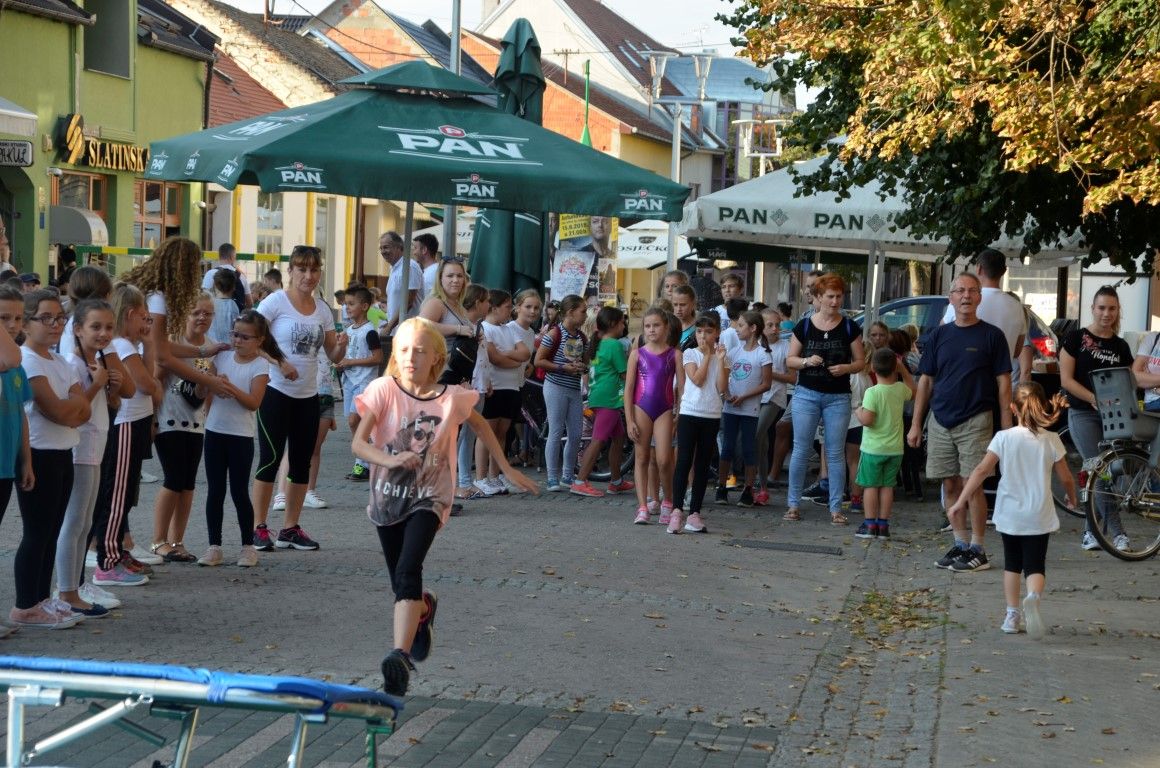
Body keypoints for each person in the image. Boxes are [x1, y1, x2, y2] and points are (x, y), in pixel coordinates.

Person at [352, 317, 538, 696]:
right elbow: (358, 443)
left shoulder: (451, 397)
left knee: (409, 570)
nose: (411, 357)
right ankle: (423, 609)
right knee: (401, 584)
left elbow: (482, 426)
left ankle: (399, 658)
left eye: (420, 351)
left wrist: (506, 469)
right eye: (404, 349)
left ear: (437, 357)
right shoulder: (383, 389)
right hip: (387, 499)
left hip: (430, 498)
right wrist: (388, 459)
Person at [949, 382, 1074, 639]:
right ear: (1043, 406)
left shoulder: (1003, 438)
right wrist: (1072, 498)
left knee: (1012, 564)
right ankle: (1033, 597)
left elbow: (981, 471)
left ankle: (1012, 615)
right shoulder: (1051, 439)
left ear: (1012, 408)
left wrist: (960, 501)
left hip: (1010, 513)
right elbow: (1066, 477)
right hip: (1039, 513)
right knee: (1035, 565)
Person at [908, 273, 1012, 572]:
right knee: (949, 483)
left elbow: (1004, 384)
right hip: (940, 420)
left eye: (972, 291)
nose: (966, 296)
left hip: (976, 419)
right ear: (950, 297)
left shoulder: (992, 336)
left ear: (979, 297)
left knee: (973, 484)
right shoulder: (938, 335)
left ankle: (978, 549)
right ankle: (960, 543)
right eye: (960, 291)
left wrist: (1007, 430)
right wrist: (916, 424)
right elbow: (925, 382)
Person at [250, 245, 344, 552]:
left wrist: (342, 346)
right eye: (302, 269)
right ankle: (258, 527)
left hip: (308, 395)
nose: (308, 276)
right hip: (275, 392)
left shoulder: (322, 309)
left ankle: (290, 528)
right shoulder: (275, 302)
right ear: (290, 271)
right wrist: (279, 362)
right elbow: (250, 340)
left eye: (314, 270)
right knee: (270, 459)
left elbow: (332, 354)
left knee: (301, 463)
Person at [12, 289, 90, 627]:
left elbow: (83, 409)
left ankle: (42, 598)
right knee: (37, 532)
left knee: (52, 529)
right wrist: (71, 408)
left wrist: (72, 409)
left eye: (60, 318)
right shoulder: (25, 359)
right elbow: (57, 410)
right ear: (26, 324)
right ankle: (25, 604)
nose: (55, 324)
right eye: (46, 318)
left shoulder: (61, 362)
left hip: (63, 452)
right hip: (40, 453)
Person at [90, 284, 161, 587]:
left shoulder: (128, 345)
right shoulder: (123, 346)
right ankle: (107, 560)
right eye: (144, 317)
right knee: (117, 493)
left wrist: (148, 344)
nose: (146, 324)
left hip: (135, 422)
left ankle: (117, 550)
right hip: (127, 423)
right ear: (130, 314)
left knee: (125, 492)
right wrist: (150, 346)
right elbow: (148, 384)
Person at [785, 273, 865, 525]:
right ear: (818, 297)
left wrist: (846, 368)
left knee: (835, 452)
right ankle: (793, 505)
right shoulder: (804, 326)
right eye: (830, 296)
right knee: (800, 449)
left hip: (838, 396)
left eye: (839, 296)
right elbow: (790, 360)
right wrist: (807, 361)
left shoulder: (850, 327)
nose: (835, 301)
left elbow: (861, 361)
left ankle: (836, 509)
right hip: (806, 393)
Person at [1059, 285, 1133, 551]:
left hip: (1114, 417)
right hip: (1082, 414)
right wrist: (1095, 399)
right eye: (1101, 308)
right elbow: (1066, 380)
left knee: (1108, 473)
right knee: (1099, 470)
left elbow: (1127, 381)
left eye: (1112, 308)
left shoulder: (1121, 346)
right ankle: (1118, 534)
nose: (1106, 313)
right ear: (1092, 308)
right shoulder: (1075, 338)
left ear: (1117, 311)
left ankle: (1091, 533)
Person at [199, 311, 274, 567]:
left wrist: (229, 387)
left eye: (244, 337)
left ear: (259, 340)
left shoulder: (260, 365)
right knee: (215, 490)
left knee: (239, 491)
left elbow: (254, 402)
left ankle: (247, 546)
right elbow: (202, 389)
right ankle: (214, 546)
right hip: (214, 432)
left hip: (241, 436)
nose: (237, 340)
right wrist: (208, 381)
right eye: (235, 334)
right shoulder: (221, 357)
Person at [149, 294, 215, 564]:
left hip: (195, 423)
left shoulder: (209, 346)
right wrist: (152, 418)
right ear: (184, 315)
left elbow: (202, 389)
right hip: (168, 419)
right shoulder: (172, 342)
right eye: (196, 312)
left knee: (188, 484)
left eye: (207, 313)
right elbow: (156, 380)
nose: (202, 318)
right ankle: (158, 541)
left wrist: (207, 386)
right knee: (173, 479)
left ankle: (177, 540)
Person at [670, 313, 730, 532]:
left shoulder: (723, 357)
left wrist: (719, 360)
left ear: (717, 333)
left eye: (708, 331)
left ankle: (694, 512)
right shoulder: (690, 353)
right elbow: (697, 379)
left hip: (711, 415)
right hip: (690, 413)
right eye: (699, 331)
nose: (703, 336)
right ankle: (677, 510)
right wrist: (706, 357)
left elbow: (722, 387)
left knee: (703, 464)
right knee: (684, 460)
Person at [623, 306, 679, 525]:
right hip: (641, 409)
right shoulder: (637, 354)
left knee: (664, 460)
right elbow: (629, 389)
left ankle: (668, 500)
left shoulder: (675, 355)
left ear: (666, 327)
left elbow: (682, 390)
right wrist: (629, 420)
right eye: (647, 326)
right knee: (642, 457)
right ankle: (642, 507)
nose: (652, 330)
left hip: (665, 410)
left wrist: (678, 416)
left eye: (656, 325)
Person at [476, 290, 533, 495]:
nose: (511, 311)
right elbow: (495, 358)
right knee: (486, 433)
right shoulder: (485, 328)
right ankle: (480, 477)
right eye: (508, 307)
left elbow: (525, 352)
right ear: (494, 308)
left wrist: (508, 354)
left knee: (502, 433)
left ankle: (494, 476)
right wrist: (514, 362)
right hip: (494, 386)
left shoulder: (508, 329)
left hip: (511, 387)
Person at [715, 310, 773, 510]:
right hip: (730, 407)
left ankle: (748, 489)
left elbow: (766, 384)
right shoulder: (733, 352)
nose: (737, 329)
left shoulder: (763, 354)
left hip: (750, 409)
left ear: (753, 328)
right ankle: (722, 486)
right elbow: (724, 377)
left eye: (741, 325)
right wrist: (727, 395)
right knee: (727, 447)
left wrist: (744, 397)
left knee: (749, 448)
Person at [853, 348, 914, 539]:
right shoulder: (900, 389)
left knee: (871, 486)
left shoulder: (872, 392)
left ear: (872, 367)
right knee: (887, 486)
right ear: (895, 367)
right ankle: (883, 526)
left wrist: (858, 411)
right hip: (895, 449)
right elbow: (914, 390)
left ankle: (870, 525)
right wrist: (903, 370)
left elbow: (867, 420)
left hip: (873, 449)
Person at [572, 306, 631, 498]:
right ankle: (580, 481)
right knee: (598, 440)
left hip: (599, 396)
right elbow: (624, 374)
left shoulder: (599, 343)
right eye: (622, 322)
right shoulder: (614, 345)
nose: (624, 325)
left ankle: (616, 481)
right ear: (613, 324)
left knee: (618, 438)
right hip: (609, 399)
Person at [942, 250, 1026, 380]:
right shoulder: (1017, 307)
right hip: (1001, 381)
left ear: (979, 268)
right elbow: (1016, 351)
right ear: (1004, 271)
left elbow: (941, 336)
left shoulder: (963, 300)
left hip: (963, 379)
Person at [534, 294, 588, 493]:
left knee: (576, 433)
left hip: (574, 388)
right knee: (556, 431)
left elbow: (586, 362)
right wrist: (562, 367)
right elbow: (538, 361)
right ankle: (551, 477)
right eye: (583, 311)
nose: (585, 315)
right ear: (571, 312)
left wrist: (583, 367)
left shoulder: (582, 337)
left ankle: (567, 475)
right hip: (555, 386)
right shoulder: (554, 334)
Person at [338, 286, 383, 482]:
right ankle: (363, 461)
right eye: (346, 304)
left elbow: (378, 357)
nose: (347, 307)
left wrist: (351, 362)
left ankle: (365, 462)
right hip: (349, 380)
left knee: (355, 421)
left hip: (364, 382)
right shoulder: (349, 330)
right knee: (353, 423)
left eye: (351, 304)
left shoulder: (370, 331)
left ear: (364, 306)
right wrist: (341, 360)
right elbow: (348, 353)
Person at [754, 308, 793, 505]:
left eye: (778, 325)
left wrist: (770, 373)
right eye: (770, 325)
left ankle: (758, 482)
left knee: (757, 434)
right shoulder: (754, 345)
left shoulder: (786, 347)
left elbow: (793, 378)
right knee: (761, 442)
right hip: (754, 397)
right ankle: (761, 485)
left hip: (774, 397)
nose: (775, 329)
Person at [380, 232, 422, 344]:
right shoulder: (394, 268)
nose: (383, 251)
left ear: (398, 247)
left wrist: (389, 327)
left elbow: (408, 302)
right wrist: (389, 323)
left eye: (386, 247)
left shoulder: (409, 266)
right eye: (381, 248)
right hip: (399, 331)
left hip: (410, 333)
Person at [201, 243, 250, 311]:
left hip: (215, 314)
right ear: (233, 257)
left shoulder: (210, 274)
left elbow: (203, 298)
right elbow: (249, 303)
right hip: (237, 315)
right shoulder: (241, 276)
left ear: (219, 256)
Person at [207, 269, 241, 346]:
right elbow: (236, 328)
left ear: (215, 285)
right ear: (233, 287)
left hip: (211, 345)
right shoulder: (233, 305)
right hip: (228, 346)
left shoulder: (210, 303)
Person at [1132, 327, 1160, 412]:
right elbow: (1135, 377)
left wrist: (1149, 378)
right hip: (1153, 403)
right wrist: (1156, 390)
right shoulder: (1153, 338)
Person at [413, 233, 440, 299]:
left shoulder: (429, 275)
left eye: (415, 248)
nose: (414, 253)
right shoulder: (436, 269)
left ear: (424, 250)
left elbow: (427, 301)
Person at [671, 284, 698, 349]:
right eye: (675, 304)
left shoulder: (699, 328)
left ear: (693, 304)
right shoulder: (668, 326)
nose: (678, 309)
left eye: (683, 305)